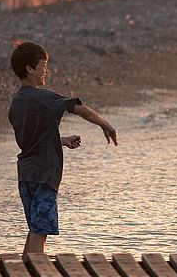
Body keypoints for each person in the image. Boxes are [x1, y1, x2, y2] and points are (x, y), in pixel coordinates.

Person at [8, 41, 118, 255]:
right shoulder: (45, 97)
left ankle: (23, 273)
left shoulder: (16, 103)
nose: (45, 71)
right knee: (40, 231)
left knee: (34, 229)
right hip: (45, 174)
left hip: (26, 173)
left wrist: (62, 139)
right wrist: (105, 124)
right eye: (43, 66)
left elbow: (32, 139)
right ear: (30, 68)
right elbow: (78, 109)